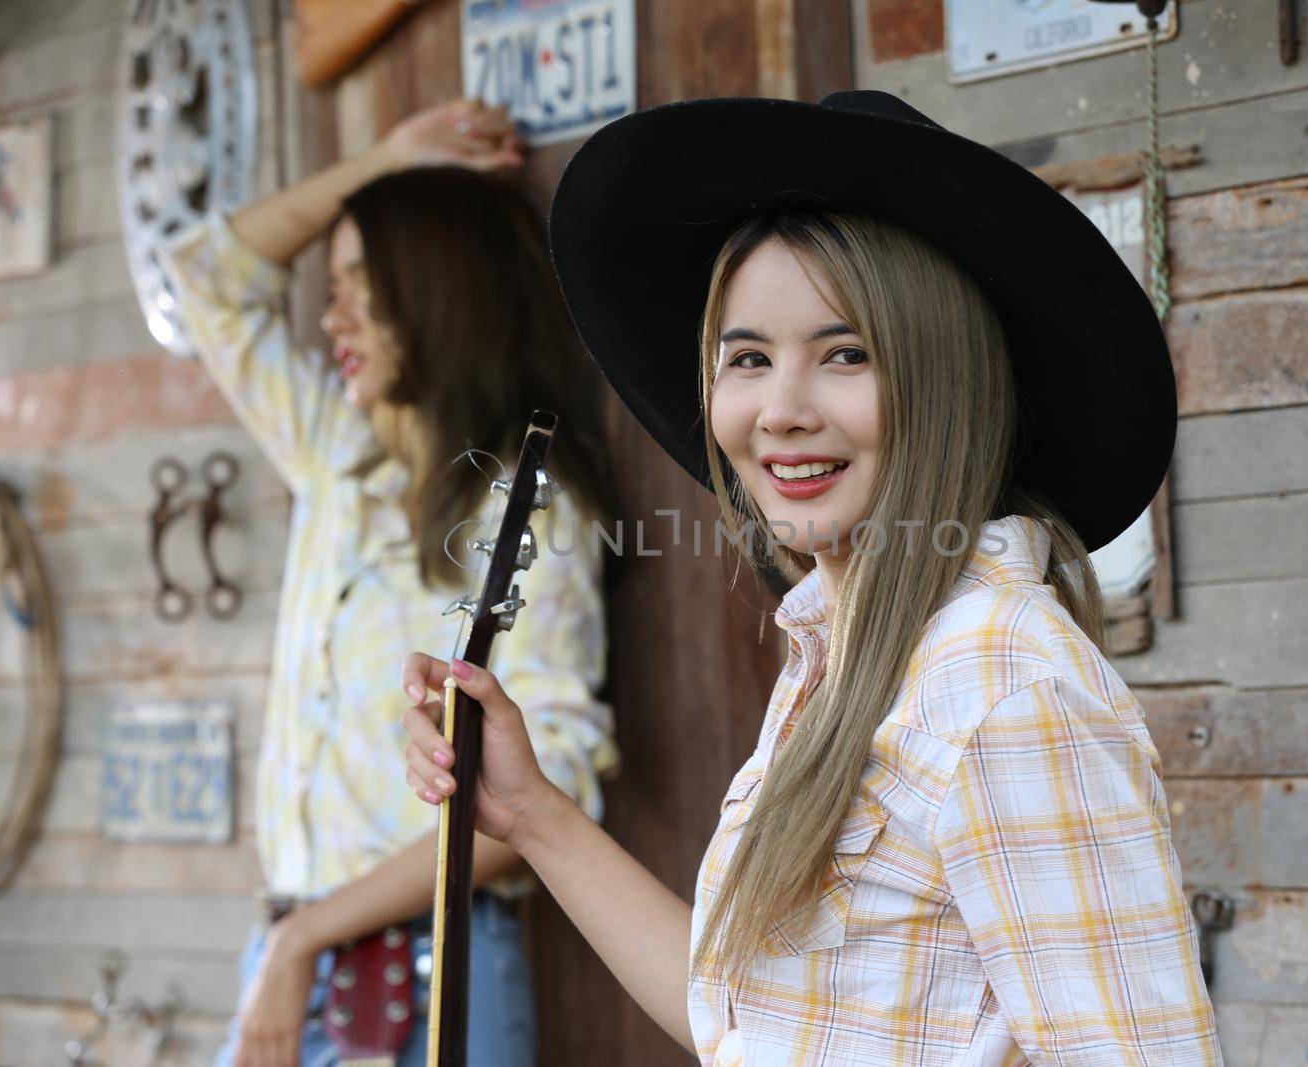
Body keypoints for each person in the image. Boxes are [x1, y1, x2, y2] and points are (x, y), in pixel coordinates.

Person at [402, 91, 1220, 1065]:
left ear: (941, 382)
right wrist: (532, 812)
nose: (779, 410)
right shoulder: (842, 656)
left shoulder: (1005, 687)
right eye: (746, 357)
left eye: (844, 354)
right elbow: (742, 1026)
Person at [160, 99, 616, 1067]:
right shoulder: (335, 463)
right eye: (334, 285)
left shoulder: (529, 513)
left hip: (427, 970)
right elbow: (203, 276)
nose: (334, 316)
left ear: (438, 290)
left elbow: (556, 779)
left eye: (365, 284)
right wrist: (380, 161)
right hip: (285, 963)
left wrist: (306, 934)